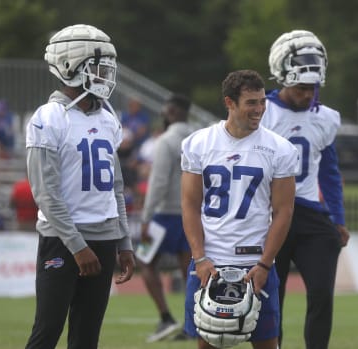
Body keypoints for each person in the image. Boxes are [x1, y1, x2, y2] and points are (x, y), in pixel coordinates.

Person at [24, 24, 135, 349]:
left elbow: (115, 187)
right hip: (63, 240)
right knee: (47, 332)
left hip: (103, 236)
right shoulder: (49, 117)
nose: (105, 76)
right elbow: (45, 192)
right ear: (71, 67)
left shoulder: (107, 118)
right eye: (98, 68)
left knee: (87, 338)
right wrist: (76, 245)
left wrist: (124, 240)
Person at [181, 69, 299, 349]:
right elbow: (189, 204)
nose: (259, 109)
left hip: (254, 262)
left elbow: (284, 211)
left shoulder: (279, 149)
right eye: (251, 103)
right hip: (210, 262)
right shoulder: (199, 143)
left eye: (262, 102)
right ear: (230, 103)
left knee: (268, 343)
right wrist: (199, 259)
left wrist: (265, 264)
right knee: (207, 342)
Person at [261, 29, 350, 349]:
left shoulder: (325, 117)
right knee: (272, 296)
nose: (307, 93)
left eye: (312, 87)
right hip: (270, 216)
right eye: (301, 87)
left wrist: (337, 218)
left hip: (311, 212)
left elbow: (329, 170)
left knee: (322, 293)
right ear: (282, 78)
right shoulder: (261, 111)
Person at [139, 93, 194, 343]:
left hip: (163, 215)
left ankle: (165, 317)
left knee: (144, 260)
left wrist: (145, 217)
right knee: (190, 270)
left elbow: (158, 182)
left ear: (170, 112)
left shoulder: (165, 141)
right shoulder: (198, 137)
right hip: (192, 213)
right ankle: (193, 322)